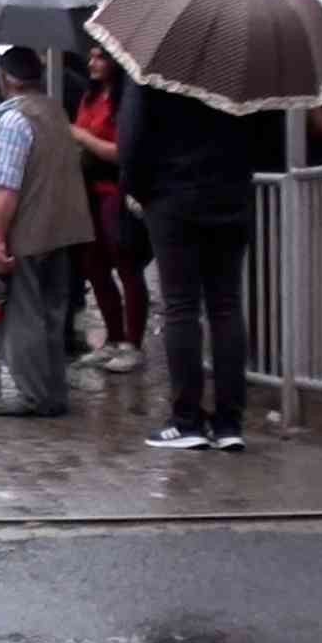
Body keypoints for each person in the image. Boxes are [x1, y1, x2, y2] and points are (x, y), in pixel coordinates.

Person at [120, 70, 265, 450]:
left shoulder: (153, 65)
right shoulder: (243, 64)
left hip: (173, 197)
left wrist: (140, 190)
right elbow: (266, 133)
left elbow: (132, 138)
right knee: (226, 305)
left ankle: (187, 421)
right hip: (232, 196)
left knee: (181, 306)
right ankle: (230, 423)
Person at [0, 47, 93, 418]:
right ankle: (53, 393)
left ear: (6, 80)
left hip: (26, 232)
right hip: (61, 230)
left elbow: (6, 187)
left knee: (22, 318)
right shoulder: (55, 112)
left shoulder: (13, 120)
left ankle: (34, 395)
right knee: (54, 315)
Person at [69, 47, 150, 375]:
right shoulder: (90, 96)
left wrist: (82, 137)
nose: (93, 63)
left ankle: (133, 342)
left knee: (127, 266)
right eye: (90, 56)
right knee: (94, 266)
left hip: (116, 191)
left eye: (101, 57)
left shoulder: (127, 100)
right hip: (88, 191)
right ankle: (113, 338)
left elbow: (120, 152)